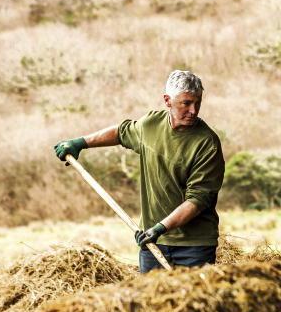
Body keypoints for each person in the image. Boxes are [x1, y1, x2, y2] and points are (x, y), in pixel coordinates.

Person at [54, 70, 225, 273]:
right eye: (186, 103)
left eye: (198, 103)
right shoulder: (150, 125)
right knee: (150, 295)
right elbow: (120, 132)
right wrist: (80, 143)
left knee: (192, 295)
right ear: (167, 101)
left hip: (194, 247)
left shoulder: (207, 143)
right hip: (152, 243)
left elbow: (198, 200)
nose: (193, 110)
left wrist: (160, 228)